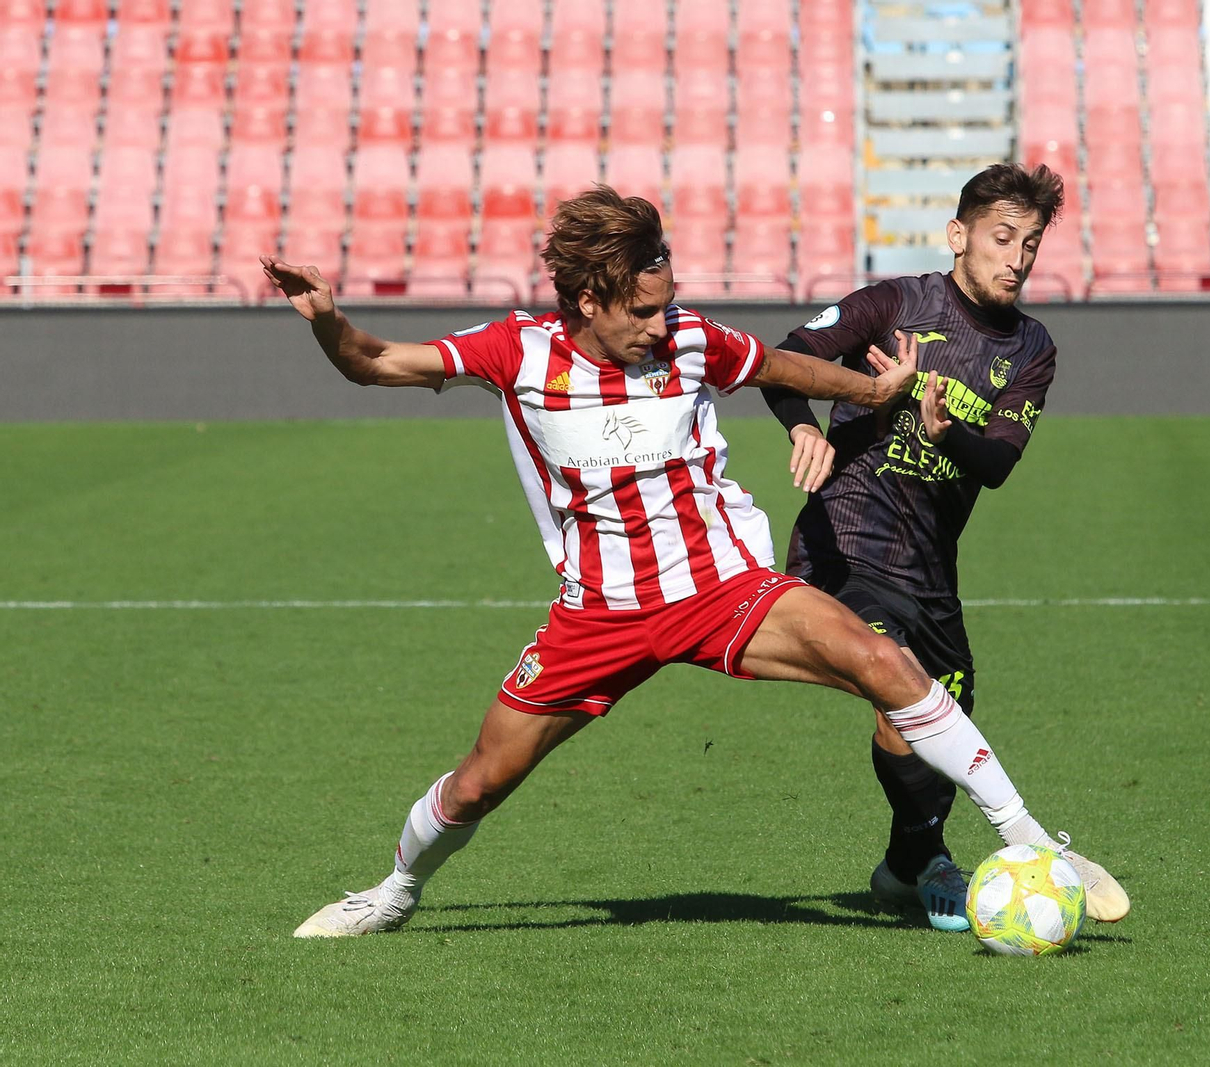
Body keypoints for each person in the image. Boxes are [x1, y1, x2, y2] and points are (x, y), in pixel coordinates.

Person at [265, 186, 1090, 938]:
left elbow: (783, 364)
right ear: (589, 300)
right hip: (600, 612)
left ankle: (1027, 838)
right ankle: (396, 889)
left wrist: (878, 395)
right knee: (481, 781)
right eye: (643, 312)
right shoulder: (515, 352)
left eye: (668, 305)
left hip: (720, 587)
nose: (663, 326)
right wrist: (327, 321)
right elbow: (374, 361)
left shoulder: (693, 337)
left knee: (883, 660)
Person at [761, 163, 1130, 931]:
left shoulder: (1031, 347)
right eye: (1002, 238)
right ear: (958, 236)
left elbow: (995, 463)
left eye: (1029, 244)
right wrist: (803, 421)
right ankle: (964, 851)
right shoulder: (896, 303)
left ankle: (908, 863)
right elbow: (785, 356)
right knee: (898, 684)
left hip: (930, 566)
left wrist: (945, 429)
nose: (1017, 257)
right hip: (848, 543)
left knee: (941, 722)